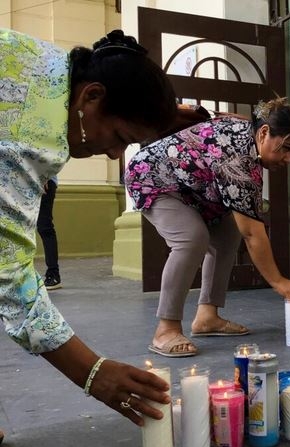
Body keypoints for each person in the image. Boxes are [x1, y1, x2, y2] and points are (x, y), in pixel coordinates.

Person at [0, 28, 178, 433]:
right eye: (119, 138)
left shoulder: (49, 66)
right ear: (91, 96)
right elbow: (8, 274)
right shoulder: (31, 132)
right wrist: (92, 371)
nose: (115, 153)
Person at [125, 98, 290, 358]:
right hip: (152, 176)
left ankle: (207, 317)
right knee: (191, 238)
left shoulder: (251, 133)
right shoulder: (239, 161)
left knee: (227, 233)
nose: (288, 159)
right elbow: (253, 233)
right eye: (286, 148)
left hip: (190, 187)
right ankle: (166, 329)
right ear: (265, 133)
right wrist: (278, 282)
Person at [38, 176, 62, 290]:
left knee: (44, 227)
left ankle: (53, 274)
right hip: (20, 180)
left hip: (44, 180)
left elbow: (53, 158)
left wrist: (45, 174)